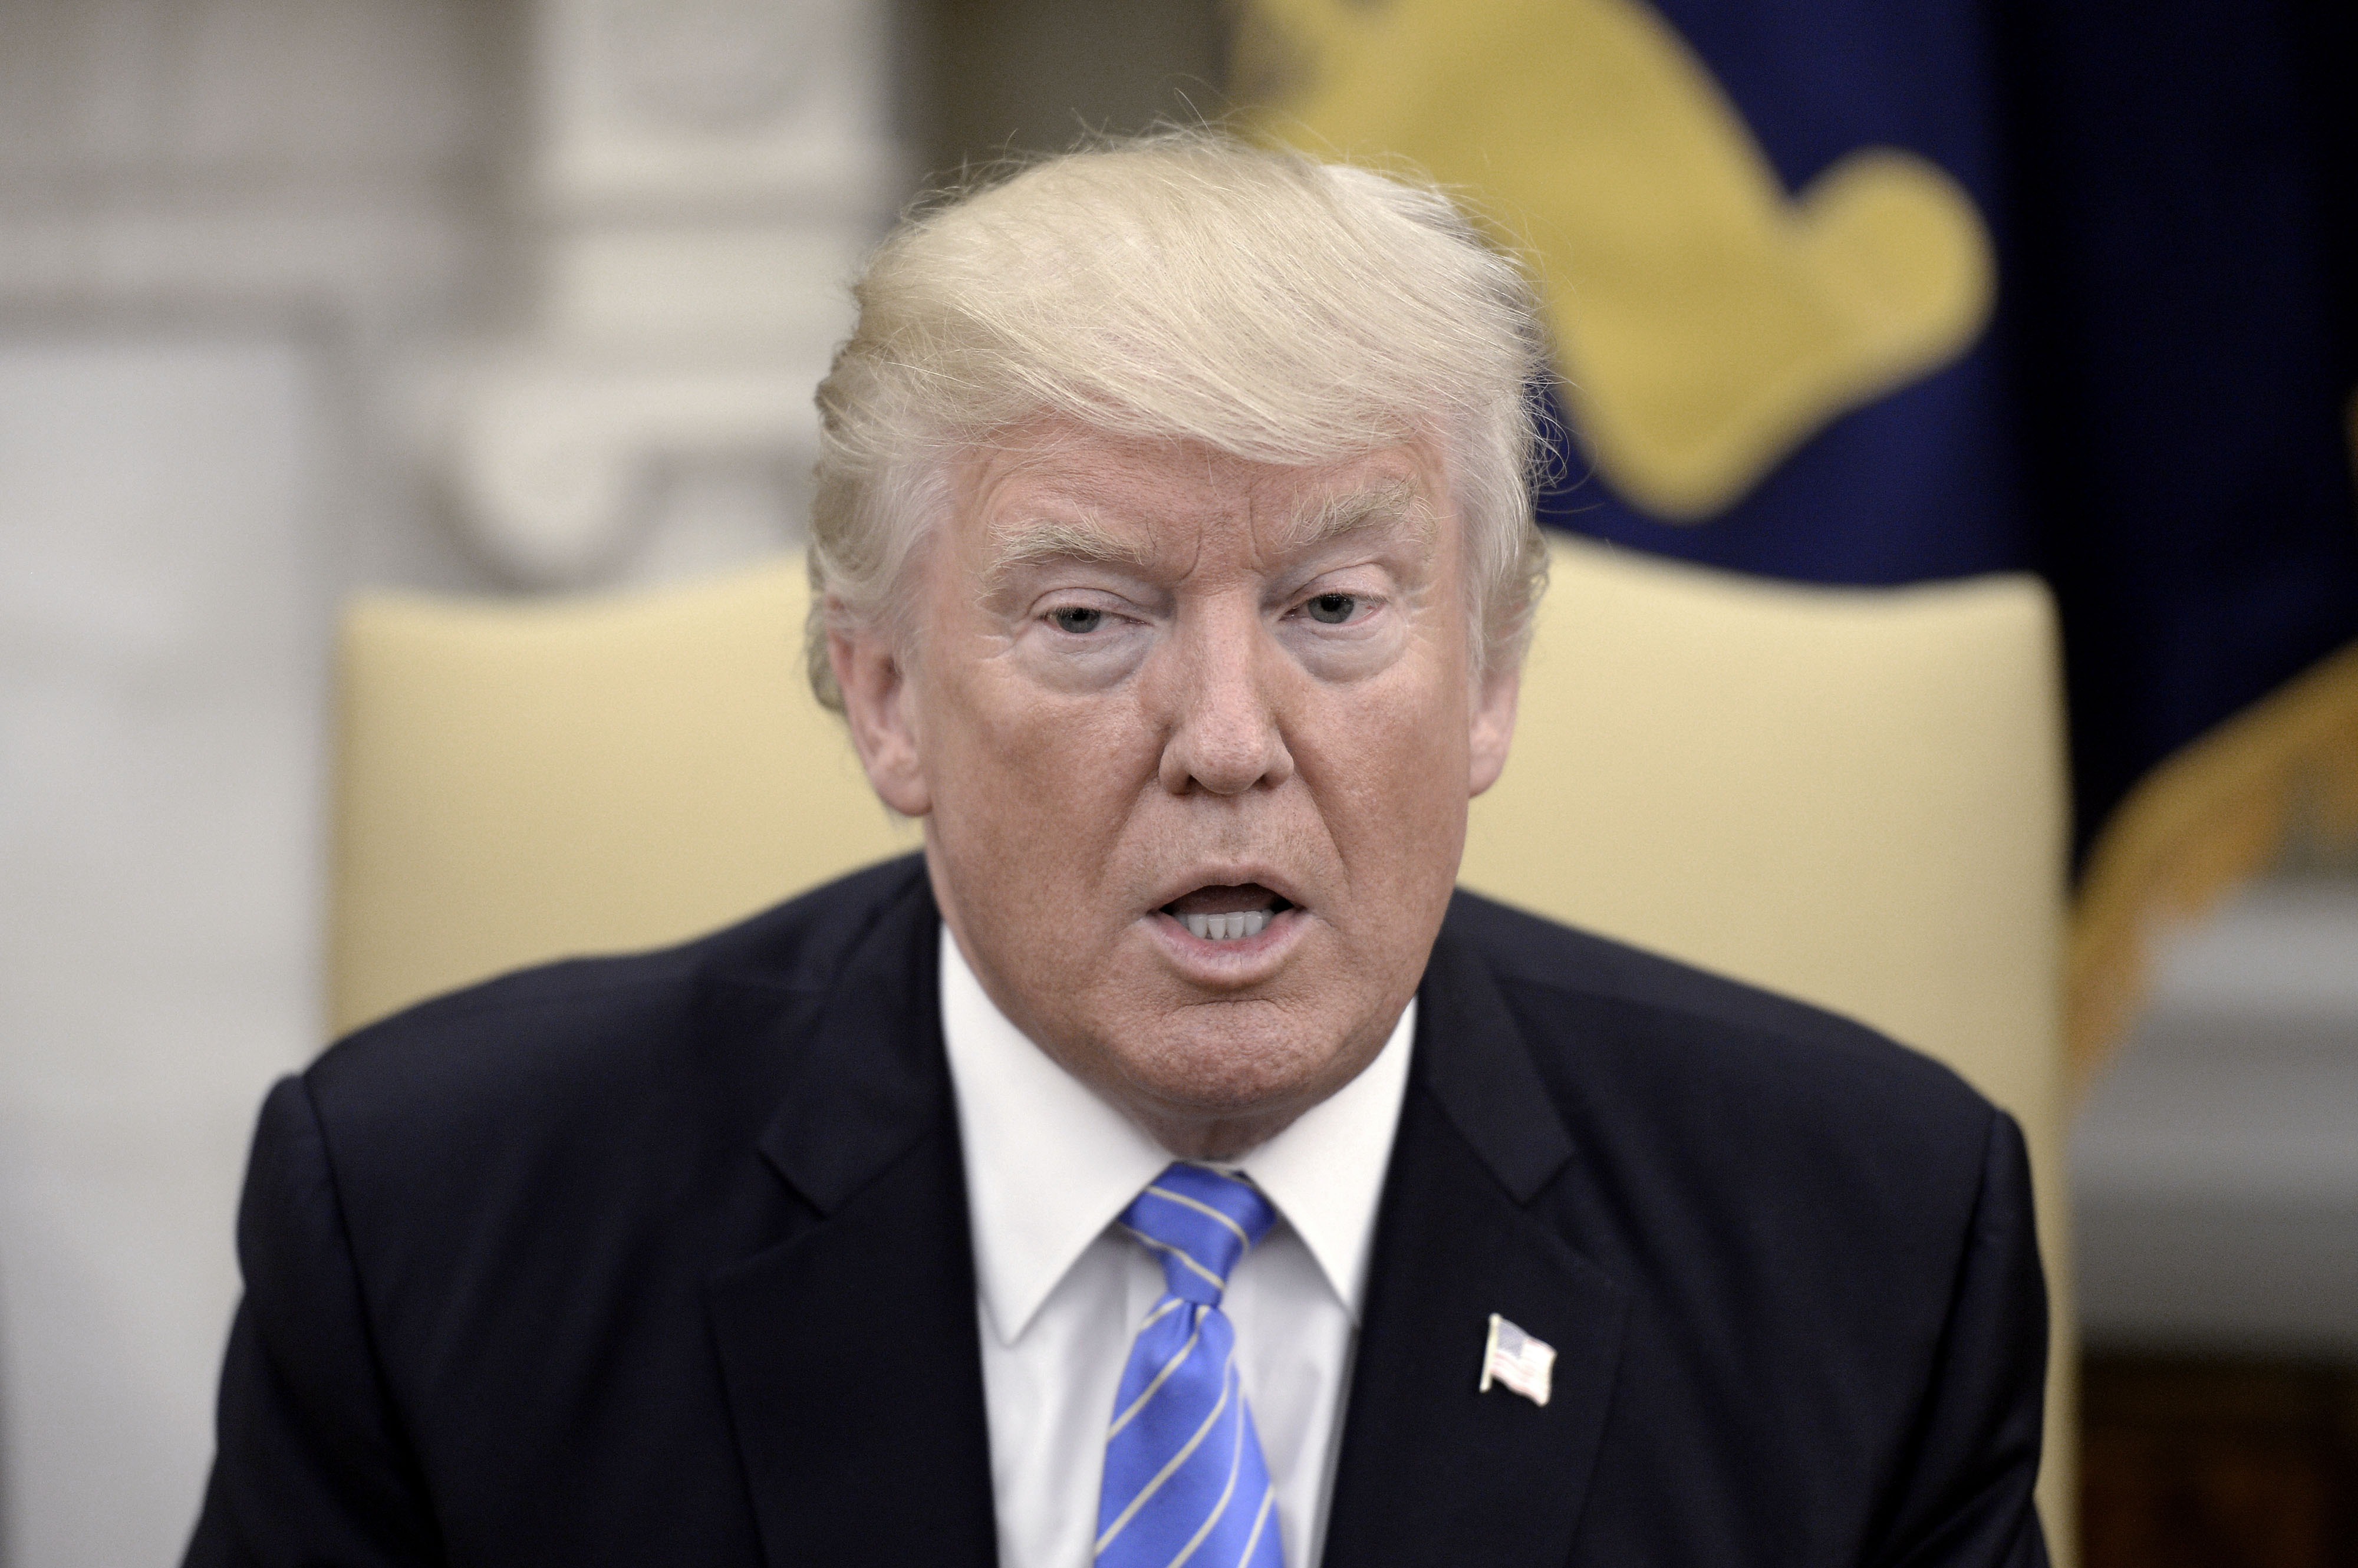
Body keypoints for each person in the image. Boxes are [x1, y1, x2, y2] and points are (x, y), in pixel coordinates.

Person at [185, 133, 2049, 1568]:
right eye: (1091, 619)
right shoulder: (434, 1229)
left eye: (1332, 605)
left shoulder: (1871, 1245)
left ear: (1488, 679)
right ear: (888, 697)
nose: (1229, 740)